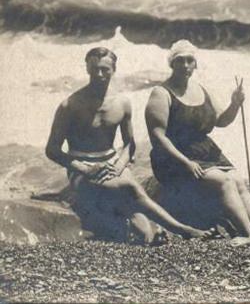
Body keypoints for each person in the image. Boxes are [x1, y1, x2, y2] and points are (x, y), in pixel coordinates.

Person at [45, 47, 209, 243]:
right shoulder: (70, 106)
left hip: (113, 161)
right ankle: (183, 229)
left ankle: (156, 228)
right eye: (95, 69)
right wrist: (84, 169)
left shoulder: (122, 102)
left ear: (114, 70)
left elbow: (129, 144)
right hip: (82, 166)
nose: (99, 74)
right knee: (131, 189)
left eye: (105, 69)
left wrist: (118, 166)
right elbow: (52, 150)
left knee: (143, 233)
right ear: (87, 69)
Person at [145, 40, 250, 238]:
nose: (185, 65)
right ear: (172, 64)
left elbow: (221, 120)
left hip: (204, 149)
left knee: (238, 180)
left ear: (195, 64)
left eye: (190, 61)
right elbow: (158, 136)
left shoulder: (202, 89)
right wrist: (186, 162)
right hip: (173, 157)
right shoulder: (161, 93)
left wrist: (235, 103)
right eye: (180, 61)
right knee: (224, 181)